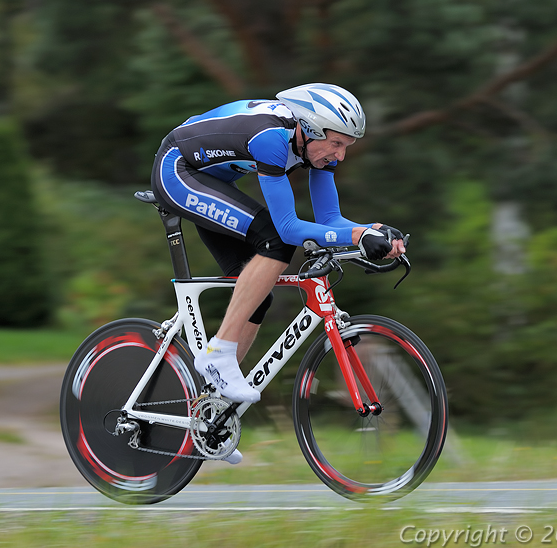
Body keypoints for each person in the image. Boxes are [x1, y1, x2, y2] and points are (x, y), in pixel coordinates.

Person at [150, 83, 406, 460]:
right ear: (310, 129)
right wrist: (356, 234)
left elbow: (330, 220)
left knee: (259, 289)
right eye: (336, 144)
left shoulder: (315, 150)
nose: (341, 155)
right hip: (177, 169)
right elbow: (288, 229)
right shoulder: (271, 138)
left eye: (347, 146)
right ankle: (217, 352)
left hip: (212, 181)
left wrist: (372, 232)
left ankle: (212, 415)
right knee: (274, 242)